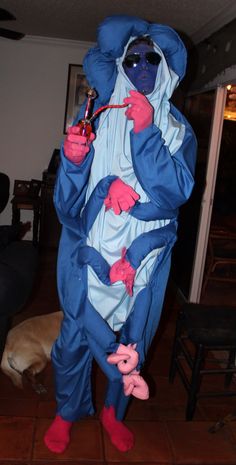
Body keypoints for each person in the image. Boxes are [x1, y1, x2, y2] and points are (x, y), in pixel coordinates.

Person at [44, 15, 197, 453]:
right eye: (133, 59)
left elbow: (174, 193)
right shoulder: (97, 113)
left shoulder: (178, 128)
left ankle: (113, 411)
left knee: (133, 342)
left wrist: (147, 130)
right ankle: (67, 411)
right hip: (90, 249)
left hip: (145, 258)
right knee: (73, 342)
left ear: (166, 67)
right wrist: (74, 164)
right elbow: (65, 205)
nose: (142, 67)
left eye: (152, 58)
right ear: (122, 65)